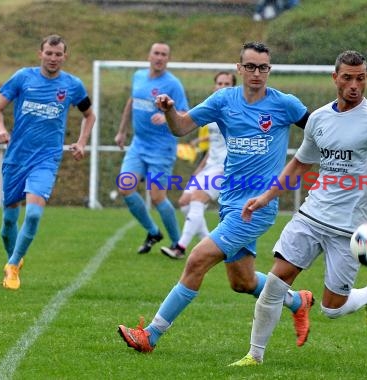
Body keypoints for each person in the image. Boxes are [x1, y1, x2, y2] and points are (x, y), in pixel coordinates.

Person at [118, 42, 314, 353]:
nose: (256, 73)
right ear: (239, 69)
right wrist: (169, 111)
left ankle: (150, 335)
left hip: (256, 208)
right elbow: (181, 127)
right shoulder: (224, 100)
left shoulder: (285, 104)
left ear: (269, 70)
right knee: (243, 282)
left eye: (263, 67)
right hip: (230, 202)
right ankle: (297, 300)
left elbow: (320, 129)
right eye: (250, 66)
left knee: (196, 259)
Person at [230, 50, 367, 366]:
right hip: (311, 216)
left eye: (361, 78)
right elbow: (300, 164)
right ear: (335, 78)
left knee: (332, 308)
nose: (355, 85)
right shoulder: (318, 118)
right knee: (275, 283)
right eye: (348, 78)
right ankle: (254, 356)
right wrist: (265, 197)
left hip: (349, 230)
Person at [0, 34, 96, 290]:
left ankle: (13, 265)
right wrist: (0, 129)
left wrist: (81, 142)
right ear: (40, 54)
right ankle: (15, 258)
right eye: (49, 53)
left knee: (34, 213)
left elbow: (89, 116)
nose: (53, 58)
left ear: (64, 57)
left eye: (58, 54)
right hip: (16, 157)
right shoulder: (23, 78)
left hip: (46, 158)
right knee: (7, 224)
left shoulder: (72, 85)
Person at [114, 42, 189, 254]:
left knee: (157, 197)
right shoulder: (138, 76)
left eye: (164, 54)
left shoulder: (173, 84)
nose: (159, 57)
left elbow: (184, 113)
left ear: (168, 59)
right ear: (149, 55)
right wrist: (122, 131)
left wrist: (166, 116)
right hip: (138, 145)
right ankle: (153, 231)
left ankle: (178, 244)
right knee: (125, 187)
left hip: (161, 149)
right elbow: (132, 102)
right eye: (156, 53)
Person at [160, 71, 236, 259]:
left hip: (226, 168)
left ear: (234, 87)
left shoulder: (237, 112)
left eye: (227, 83)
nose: (222, 86)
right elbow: (213, 145)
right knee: (184, 202)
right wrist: (200, 167)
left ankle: (180, 247)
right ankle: (212, 243)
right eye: (219, 83)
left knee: (197, 198)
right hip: (210, 165)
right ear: (214, 86)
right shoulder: (212, 109)